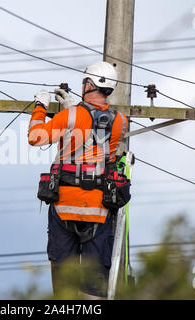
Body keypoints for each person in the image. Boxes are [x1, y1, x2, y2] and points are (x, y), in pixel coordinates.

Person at [28, 61, 130, 299]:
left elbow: (35, 137)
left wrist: (40, 107)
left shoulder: (69, 116)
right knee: (94, 286)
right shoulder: (120, 122)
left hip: (64, 208)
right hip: (98, 211)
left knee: (65, 283)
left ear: (88, 84)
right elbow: (96, 134)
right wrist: (73, 109)